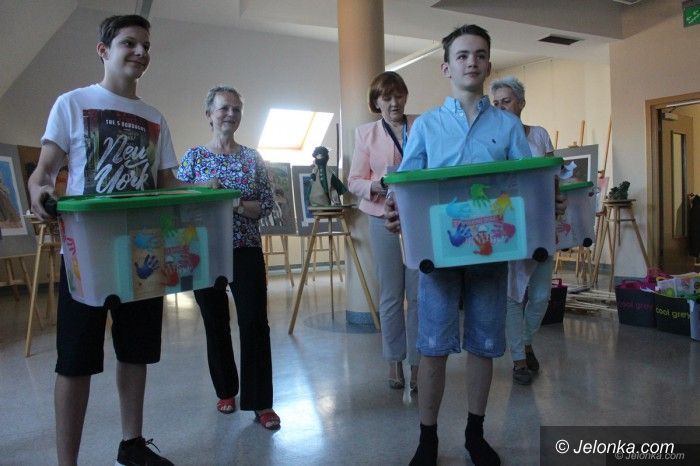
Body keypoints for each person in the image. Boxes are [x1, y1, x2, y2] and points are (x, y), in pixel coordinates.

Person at [28, 15, 180, 466]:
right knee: (75, 361)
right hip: (87, 255)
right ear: (103, 50)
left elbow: (168, 185)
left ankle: (132, 445)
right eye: (129, 43)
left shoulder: (154, 117)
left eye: (146, 45)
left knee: (136, 353)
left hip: (142, 251)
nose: (140, 52)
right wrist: (40, 193)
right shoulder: (72, 103)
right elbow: (44, 172)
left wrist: (207, 193)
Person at [385, 25, 538, 466]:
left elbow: (525, 183)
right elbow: (406, 185)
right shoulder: (427, 126)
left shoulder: (508, 126)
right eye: (463, 55)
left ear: (489, 64)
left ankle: (475, 435)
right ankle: (427, 439)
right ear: (446, 67)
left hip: (491, 250)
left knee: (484, 343)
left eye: (481, 54)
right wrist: (395, 210)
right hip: (439, 254)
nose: (473, 61)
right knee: (432, 344)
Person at [177, 85, 281, 430]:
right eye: (224, 108)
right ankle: (225, 390)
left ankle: (261, 403)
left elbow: (264, 206)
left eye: (236, 109)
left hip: (245, 249)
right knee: (215, 322)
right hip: (203, 251)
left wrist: (232, 201)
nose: (231, 114)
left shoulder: (252, 158)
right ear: (209, 114)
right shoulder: (194, 158)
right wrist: (204, 192)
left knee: (254, 322)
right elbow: (179, 203)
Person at [348, 71, 420, 391]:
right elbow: (354, 181)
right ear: (376, 102)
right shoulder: (366, 134)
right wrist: (379, 184)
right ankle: (394, 361)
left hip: (418, 218)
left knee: (418, 296)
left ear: (406, 96)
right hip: (383, 216)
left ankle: (418, 362)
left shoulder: (421, 125)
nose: (394, 103)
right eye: (386, 98)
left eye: (398, 96)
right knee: (391, 294)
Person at [491, 76, 555, 385]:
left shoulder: (539, 135)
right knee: (513, 295)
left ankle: (526, 341)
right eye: (496, 103)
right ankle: (518, 359)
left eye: (506, 101)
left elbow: (553, 176)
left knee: (541, 295)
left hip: (541, 223)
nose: (501, 107)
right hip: (509, 225)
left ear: (521, 103)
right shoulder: (493, 141)